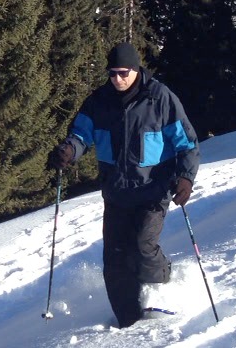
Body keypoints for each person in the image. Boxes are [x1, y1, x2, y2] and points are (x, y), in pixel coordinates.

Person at [46, 41, 200, 328]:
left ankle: (162, 289)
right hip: (116, 192)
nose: (117, 79)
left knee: (142, 245)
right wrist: (69, 150)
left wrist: (186, 177)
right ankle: (128, 319)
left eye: (123, 72)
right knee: (115, 260)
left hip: (153, 190)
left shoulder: (159, 98)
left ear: (135, 69)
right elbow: (81, 134)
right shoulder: (98, 101)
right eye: (112, 73)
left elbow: (187, 143)